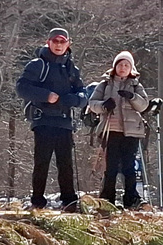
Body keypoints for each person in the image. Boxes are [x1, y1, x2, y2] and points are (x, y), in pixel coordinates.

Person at [16, 28, 86, 211]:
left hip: (64, 122)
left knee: (66, 163)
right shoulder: (37, 65)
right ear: (48, 42)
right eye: (55, 41)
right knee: (42, 162)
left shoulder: (72, 69)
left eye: (62, 42)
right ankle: (37, 202)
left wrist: (75, 100)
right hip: (43, 121)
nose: (59, 45)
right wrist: (46, 96)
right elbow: (21, 88)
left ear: (68, 44)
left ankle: (69, 202)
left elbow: (83, 94)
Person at [88, 51, 149, 209]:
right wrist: (103, 106)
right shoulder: (104, 85)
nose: (123, 68)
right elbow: (92, 104)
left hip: (131, 132)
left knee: (129, 167)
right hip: (110, 131)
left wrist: (132, 97)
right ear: (115, 66)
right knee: (111, 167)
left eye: (126, 65)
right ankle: (107, 200)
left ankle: (131, 200)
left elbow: (144, 105)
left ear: (131, 68)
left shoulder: (136, 86)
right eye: (120, 64)